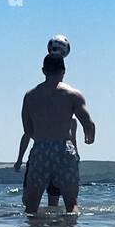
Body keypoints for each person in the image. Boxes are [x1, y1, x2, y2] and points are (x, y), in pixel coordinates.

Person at [14, 54, 96, 214]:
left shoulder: (30, 96)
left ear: (43, 70)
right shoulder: (73, 94)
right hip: (64, 148)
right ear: (64, 71)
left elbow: (27, 129)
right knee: (71, 203)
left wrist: (43, 137)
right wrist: (90, 136)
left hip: (40, 149)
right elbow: (88, 123)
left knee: (31, 206)